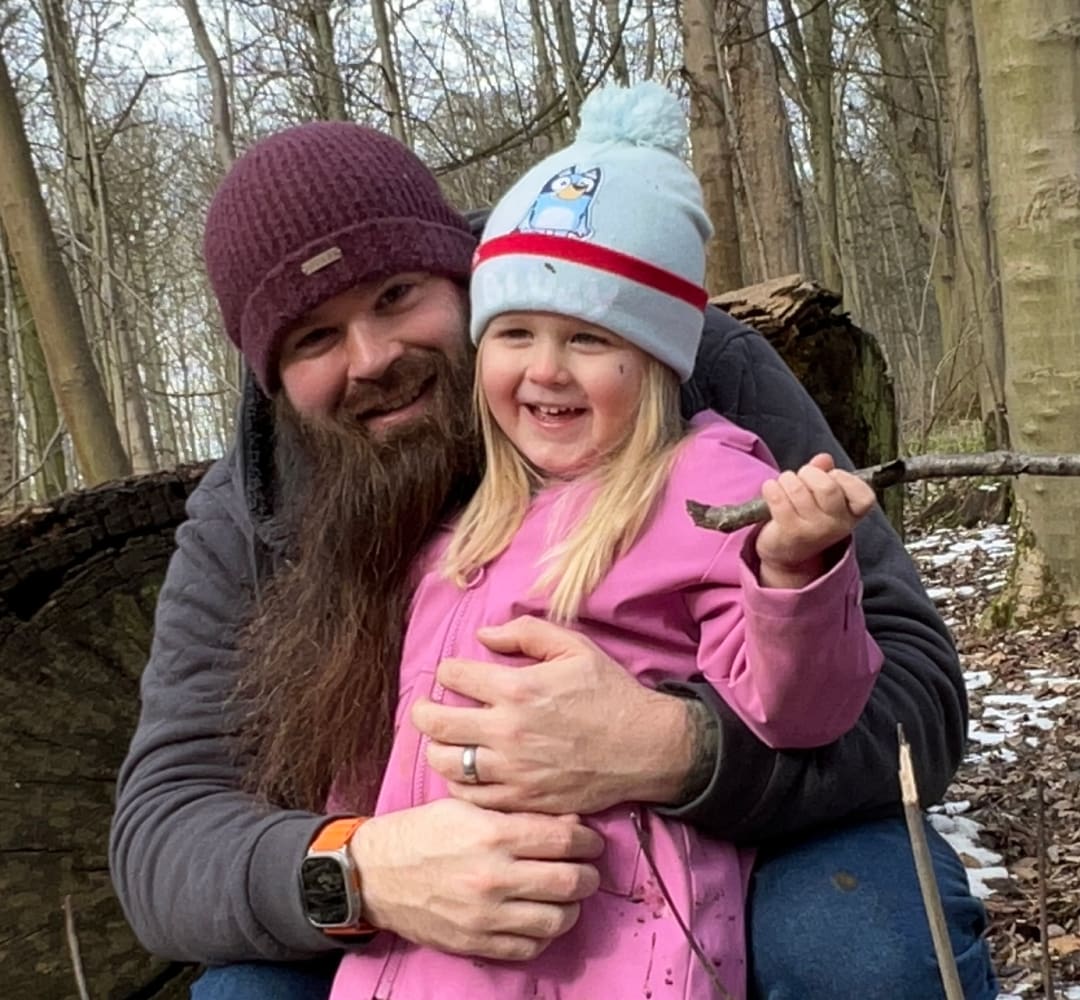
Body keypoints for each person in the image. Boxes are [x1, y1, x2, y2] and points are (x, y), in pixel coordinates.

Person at [108, 99, 997, 1000]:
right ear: (271, 375)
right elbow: (162, 830)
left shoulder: (660, 354)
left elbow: (916, 688)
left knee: (862, 942)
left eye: (395, 296)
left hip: (730, 840)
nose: (373, 356)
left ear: (460, 275)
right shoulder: (252, 515)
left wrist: (676, 748)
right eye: (315, 337)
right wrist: (365, 869)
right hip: (426, 910)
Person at [327, 81, 884, 1000]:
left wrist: (796, 571)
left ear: (658, 360)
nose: (545, 369)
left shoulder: (709, 491)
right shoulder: (464, 531)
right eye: (514, 333)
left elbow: (802, 712)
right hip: (431, 952)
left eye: (590, 338)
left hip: (606, 947)